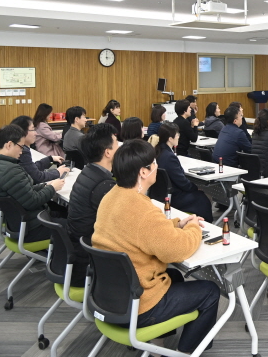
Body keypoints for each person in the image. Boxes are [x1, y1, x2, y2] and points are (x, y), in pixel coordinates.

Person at [92, 139, 219, 354]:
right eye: (154, 163)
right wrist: (193, 226)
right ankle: (188, 352)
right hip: (138, 306)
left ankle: (156, 347)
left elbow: (143, 232)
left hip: (108, 298)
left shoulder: (111, 197)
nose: (157, 166)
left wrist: (176, 224)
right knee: (210, 291)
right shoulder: (142, 211)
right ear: (143, 172)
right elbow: (178, 249)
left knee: (174, 276)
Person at [0, 124, 65, 242]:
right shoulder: (11, 171)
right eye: (21, 146)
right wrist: (52, 188)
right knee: (74, 226)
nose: (22, 151)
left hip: (16, 225)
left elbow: (23, 192)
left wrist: (45, 186)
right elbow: (33, 201)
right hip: (32, 228)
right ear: (9, 145)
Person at [67, 123, 118, 287]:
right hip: (90, 263)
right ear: (108, 152)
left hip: (80, 251)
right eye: (117, 143)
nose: (119, 147)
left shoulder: (88, 172)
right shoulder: (103, 185)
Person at [154, 122, 213, 222]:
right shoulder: (169, 157)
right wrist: (195, 187)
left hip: (162, 194)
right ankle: (206, 224)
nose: (179, 137)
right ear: (170, 139)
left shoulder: (159, 151)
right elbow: (183, 183)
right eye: (177, 134)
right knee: (203, 197)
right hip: (175, 197)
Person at [10, 115, 69, 184]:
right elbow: (37, 177)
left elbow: (31, 168)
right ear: (22, 132)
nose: (36, 133)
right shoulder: (22, 150)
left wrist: (50, 159)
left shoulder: (15, 147)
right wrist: (58, 172)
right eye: (33, 129)